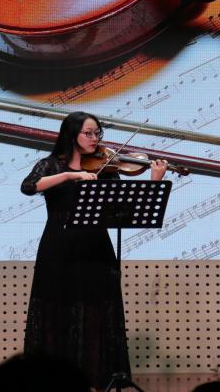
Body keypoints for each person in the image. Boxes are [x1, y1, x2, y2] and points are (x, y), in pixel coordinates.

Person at [20, 111, 167, 388]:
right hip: (59, 247)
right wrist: (69, 176)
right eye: (88, 133)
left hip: (96, 247)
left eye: (97, 133)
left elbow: (126, 208)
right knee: (56, 313)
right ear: (71, 134)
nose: (95, 138)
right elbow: (28, 186)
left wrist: (155, 181)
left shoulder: (107, 168)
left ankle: (96, 380)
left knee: (96, 314)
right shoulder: (51, 165)